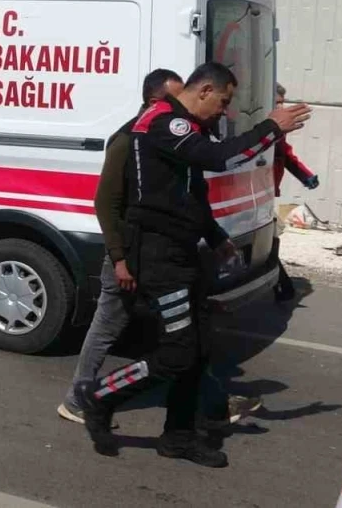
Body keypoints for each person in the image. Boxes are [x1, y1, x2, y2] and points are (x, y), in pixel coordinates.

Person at [78, 62, 311, 467]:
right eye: (223, 102)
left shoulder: (187, 127)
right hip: (157, 256)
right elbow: (220, 159)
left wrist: (217, 239)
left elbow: (192, 195)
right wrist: (271, 127)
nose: (224, 111)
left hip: (183, 252)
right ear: (204, 90)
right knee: (176, 353)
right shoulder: (165, 123)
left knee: (199, 348)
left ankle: (178, 437)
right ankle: (101, 395)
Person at [57, 71, 263, 429]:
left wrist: (215, 238)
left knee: (186, 335)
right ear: (155, 101)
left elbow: (192, 196)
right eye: (174, 98)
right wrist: (119, 259)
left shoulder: (174, 137)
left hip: (161, 252)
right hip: (133, 252)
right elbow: (106, 203)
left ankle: (212, 404)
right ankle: (80, 400)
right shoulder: (130, 139)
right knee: (112, 327)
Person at [272, 83, 319, 302]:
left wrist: (305, 175)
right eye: (277, 103)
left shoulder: (277, 128)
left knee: (272, 237)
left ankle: (282, 285)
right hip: (254, 189)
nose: (281, 107)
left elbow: (286, 155)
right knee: (271, 237)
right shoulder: (260, 126)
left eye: (282, 103)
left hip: (266, 191)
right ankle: (283, 286)